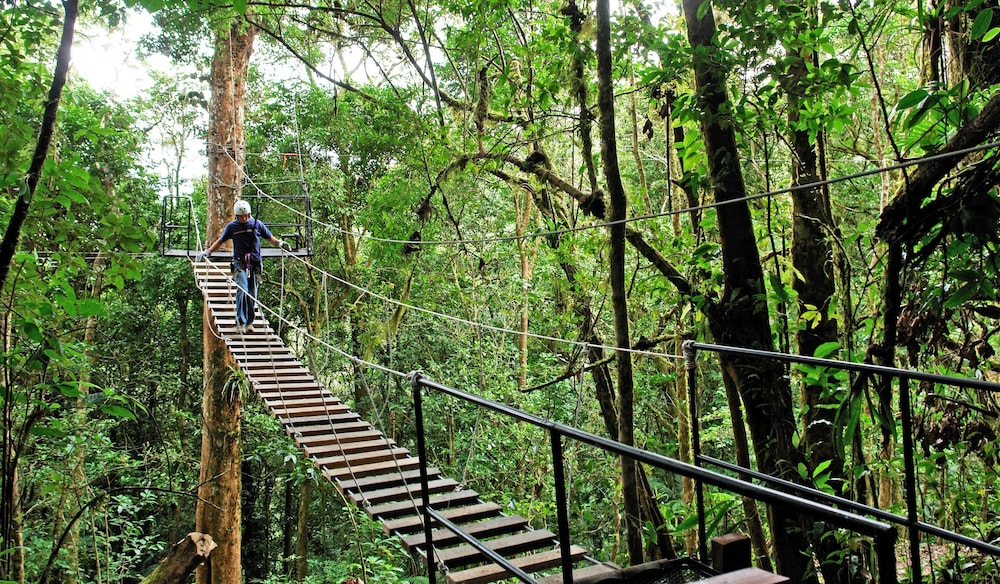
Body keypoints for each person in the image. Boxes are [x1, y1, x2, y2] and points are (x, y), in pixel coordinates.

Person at [197, 200, 291, 333]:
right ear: (236, 216)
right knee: (243, 289)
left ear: (249, 214)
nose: (244, 218)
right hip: (240, 263)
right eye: (241, 216)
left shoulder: (257, 224)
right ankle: (240, 322)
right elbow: (221, 241)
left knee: (252, 294)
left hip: (255, 263)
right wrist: (208, 251)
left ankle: (249, 323)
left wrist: (280, 244)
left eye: (246, 215)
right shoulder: (232, 227)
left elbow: (270, 237)